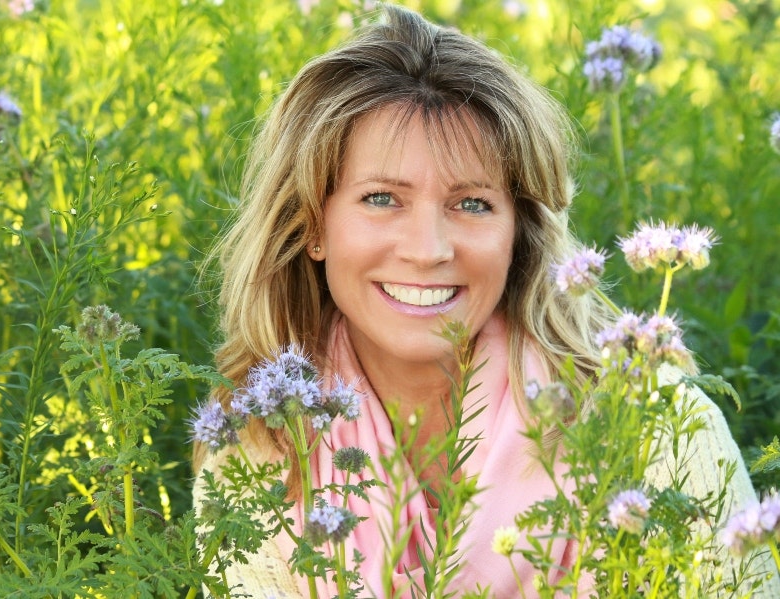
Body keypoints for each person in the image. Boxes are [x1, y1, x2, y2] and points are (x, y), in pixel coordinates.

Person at [191, 4, 779, 598]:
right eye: (381, 198)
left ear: (517, 232)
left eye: (472, 204)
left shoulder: (652, 430)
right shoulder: (257, 451)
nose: (428, 250)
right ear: (312, 224)